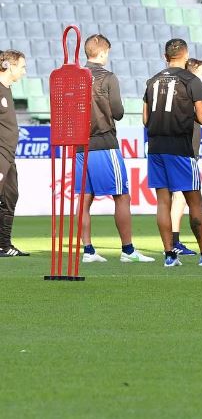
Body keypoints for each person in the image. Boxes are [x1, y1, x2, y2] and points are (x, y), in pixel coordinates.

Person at [144, 39, 202, 268]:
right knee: (195, 202)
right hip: (180, 149)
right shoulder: (191, 80)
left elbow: (145, 119)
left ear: (165, 56)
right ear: (186, 54)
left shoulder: (152, 81)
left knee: (163, 202)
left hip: (155, 148)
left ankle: (169, 256)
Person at [76, 35, 154, 263]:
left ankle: (88, 251)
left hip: (80, 146)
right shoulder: (108, 77)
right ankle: (128, 250)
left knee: (84, 199)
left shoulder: (76, 77)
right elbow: (118, 111)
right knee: (121, 195)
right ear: (102, 53)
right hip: (104, 143)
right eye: (107, 52)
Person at [168, 58, 202, 256]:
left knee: (177, 197)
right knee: (180, 197)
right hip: (185, 148)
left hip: (181, 147)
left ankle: (173, 242)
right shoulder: (190, 91)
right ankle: (174, 241)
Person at [0, 50, 28, 257]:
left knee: (10, 196)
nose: (24, 72)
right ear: (8, 66)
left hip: (8, 156)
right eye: (22, 66)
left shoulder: (7, 89)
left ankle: (3, 245)